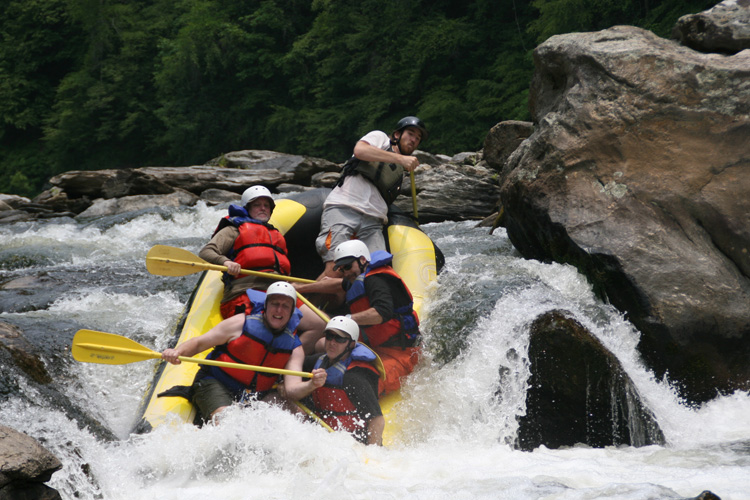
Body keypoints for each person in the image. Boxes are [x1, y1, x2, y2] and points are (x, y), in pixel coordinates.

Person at [199, 185, 325, 353]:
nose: (263, 208)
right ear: (248, 208)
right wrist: (226, 262)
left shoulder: (277, 235)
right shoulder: (233, 230)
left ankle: (284, 363)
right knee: (263, 330)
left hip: (277, 290)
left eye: (266, 205)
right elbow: (206, 252)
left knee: (319, 325)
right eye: (257, 205)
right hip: (246, 291)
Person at [161, 281, 310, 422]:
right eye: (275, 304)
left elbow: (292, 390)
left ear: (291, 312)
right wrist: (177, 352)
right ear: (266, 305)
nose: (279, 310)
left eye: (285, 306)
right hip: (216, 383)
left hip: (255, 395)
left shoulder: (294, 347)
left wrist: (312, 384)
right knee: (227, 421)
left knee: (299, 416)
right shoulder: (240, 323)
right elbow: (199, 343)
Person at [295, 240, 421, 395]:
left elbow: (381, 313)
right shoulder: (356, 277)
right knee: (323, 344)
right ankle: (301, 376)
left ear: (362, 260)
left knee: (367, 382)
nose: (346, 272)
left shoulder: (377, 280)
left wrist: (347, 319)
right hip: (374, 343)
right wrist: (300, 288)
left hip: (399, 351)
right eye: (342, 269)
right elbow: (336, 285)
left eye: (348, 266)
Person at [315, 116, 428, 277]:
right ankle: (297, 299)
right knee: (336, 268)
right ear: (397, 134)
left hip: (373, 222)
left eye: (418, 138)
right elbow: (360, 151)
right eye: (410, 134)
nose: (414, 140)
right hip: (344, 208)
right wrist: (401, 159)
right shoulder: (380, 138)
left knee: (378, 272)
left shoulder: (400, 172)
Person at [283, 316, 384, 445]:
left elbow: (377, 420)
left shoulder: (354, 377)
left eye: (340, 338)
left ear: (351, 344)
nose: (332, 342)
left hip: (353, 440)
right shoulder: (319, 361)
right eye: (329, 336)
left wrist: (372, 453)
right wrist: (283, 382)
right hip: (323, 433)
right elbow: (294, 371)